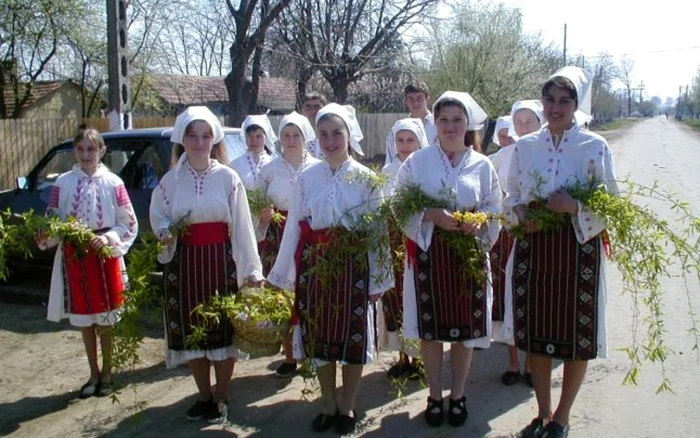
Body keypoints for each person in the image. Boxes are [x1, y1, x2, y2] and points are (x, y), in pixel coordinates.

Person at [504, 67, 618, 438]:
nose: (555, 108)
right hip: (534, 249)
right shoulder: (525, 146)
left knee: (574, 338)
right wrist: (521, 216)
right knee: (537, 333)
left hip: (577, 252)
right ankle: (542, 411)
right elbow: (512, 197)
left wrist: (574, 209)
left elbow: (613, 205)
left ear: (576, 104)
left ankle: (563, 418)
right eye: (550, 100)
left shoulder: (595, 146)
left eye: (564, 101)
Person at [267, 103, 393, 435]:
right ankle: (327, 402)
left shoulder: (367, 179)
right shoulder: (306, 178)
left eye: (337, 133)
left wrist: (379, 276)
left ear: (349, 134)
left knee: (352, 337)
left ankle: (348, 405)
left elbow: (378, 230)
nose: (330, 140)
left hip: (354, 266)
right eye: (323, 134)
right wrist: (283, 275)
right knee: (320, 336)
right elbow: (294, 224)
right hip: (316, 265)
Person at [150, 106, 264, 424]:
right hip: (184, 267)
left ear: (213, 139)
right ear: (181, 139)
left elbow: (242, 226)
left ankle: (221, 395)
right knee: (193, 334)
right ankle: (203, 395)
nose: (199, 142)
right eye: (192, 135)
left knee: (223, 333)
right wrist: (164, 233)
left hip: (220, 264)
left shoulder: (228, 178)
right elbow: (158, 216)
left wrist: (252, 270)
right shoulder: (169, 182)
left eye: (205, 136)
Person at [397, 91, 502, 428]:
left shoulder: (482, 164)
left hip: (468, 256)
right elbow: (399, 206)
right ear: (435, 122)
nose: (450, 126)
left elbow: (494, 206)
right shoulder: (417, 162)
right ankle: (433, 393)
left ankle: (457, 394)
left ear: (467, 123)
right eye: (444, 119)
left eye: (457, 120)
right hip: (430, 254)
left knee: (464, 331)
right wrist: (429, 214)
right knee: (431, 331)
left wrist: (480, 220)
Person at [38, 128, 138, 398]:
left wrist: (108, 238)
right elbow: (53, 217)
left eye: (91, 149)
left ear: (102, 151)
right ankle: (93, 373)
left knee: (105, 319)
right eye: (81, 149)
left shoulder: (113, 182)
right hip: (74, 257)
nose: (86, 154)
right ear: (75, 150)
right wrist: (46, 232)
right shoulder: (63, 183)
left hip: (103, 256)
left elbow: (127, 221)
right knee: (85, 320)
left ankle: (107, 373)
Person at [259, 111, 321, 377]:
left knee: (310, 292)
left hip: (309, 234)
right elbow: (256, 203)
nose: (291, 139)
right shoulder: (269, 169)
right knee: (283, 294)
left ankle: (311, 353)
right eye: (286, 135)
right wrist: (262, 214)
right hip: (278, 233)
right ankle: (288, 355)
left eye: (296, 134)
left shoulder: (318, 166)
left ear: (305, 136)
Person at [489, 100, 544, 387]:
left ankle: (533, 364)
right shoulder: (503, 155)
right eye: (518, 121)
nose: (523, 126)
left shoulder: (546, 152)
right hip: (508, 233)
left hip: (538, 234)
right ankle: (512, 362)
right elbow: (495, 190)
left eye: (529, 121)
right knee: (508, 298)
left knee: (534, 301)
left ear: (540, 121)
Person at [378, 118, 429, 380]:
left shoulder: (426, 169)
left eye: (411, 140)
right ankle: (402, 356)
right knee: (395, 296)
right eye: (401, 140)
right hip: (391, 242)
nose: (405, 145)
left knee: (417, 294)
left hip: (418, 241)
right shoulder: (387, 170)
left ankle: (420, 357)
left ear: (420, 141)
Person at [229, 114, 277, 244]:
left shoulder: (275, 164)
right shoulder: (235, 165)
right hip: (244, 222)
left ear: (266, 137)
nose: (254, 140)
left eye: (258, 136)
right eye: (250, 136)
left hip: (271, 223)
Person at [384, 81, 438, 166]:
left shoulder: (438, 126)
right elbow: (390, 159)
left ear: (427, 99)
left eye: (419, 98)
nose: (415, 103)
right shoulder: (397, 129)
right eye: (411, 99)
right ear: (406, 101)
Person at [300, 92, 328, 159]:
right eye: (308, 107)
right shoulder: (295, 136)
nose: (313, 111)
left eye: (317, 107)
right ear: (302, 110)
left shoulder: (333, 135)